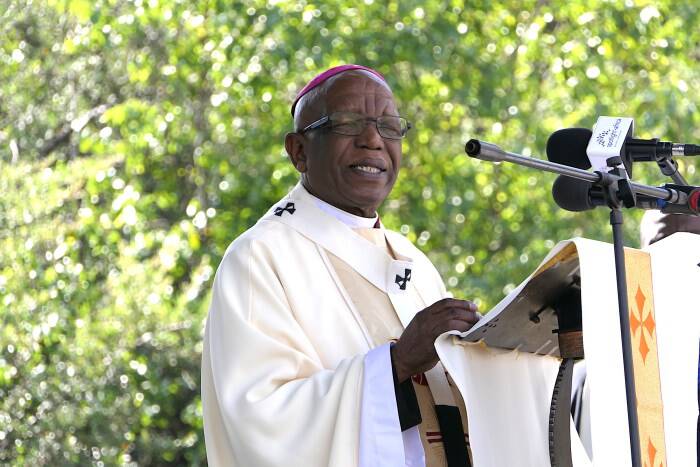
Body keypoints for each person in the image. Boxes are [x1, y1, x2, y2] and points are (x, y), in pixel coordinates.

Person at [201, 65, 481, 466]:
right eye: (348, 124)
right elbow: (261, 423)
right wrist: (397, 363)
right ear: (299, 151)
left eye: (389, 127)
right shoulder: (259, 257)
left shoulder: (411, 261)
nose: (372, 141)